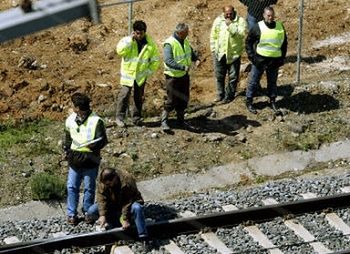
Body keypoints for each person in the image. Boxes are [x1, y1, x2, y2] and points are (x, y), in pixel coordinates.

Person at [63, 92, 108, 225]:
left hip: (90, 160)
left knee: (89, 187)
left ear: (78, 107)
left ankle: (88, 212)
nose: (74, 109)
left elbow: (103, 140)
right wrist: (66, 150)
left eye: (75, 107)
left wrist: (92, 145)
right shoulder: (70, 120)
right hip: (75, 159)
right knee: (72, 187)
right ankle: (72, 214)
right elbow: (68, 137)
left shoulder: (96, 121)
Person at [115, 20, 160, 127]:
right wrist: (130, 40)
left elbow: (155, 60)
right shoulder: (127, 41)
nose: (138, 35)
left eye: (141, 33)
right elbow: (120, 51)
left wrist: (147, 72)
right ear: (133, 32)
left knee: (138, 97)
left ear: (145, 32)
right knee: (124, 95)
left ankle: (136, 118)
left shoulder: (150, 44)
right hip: (128, 75)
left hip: (140, 76)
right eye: (136, 33)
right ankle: (119, 118)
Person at [88, 168, 149, 244]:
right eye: (106, 184)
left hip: (128, 203)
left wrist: (124, 218)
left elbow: (128, 202)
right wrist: (102, 215)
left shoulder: (127, 180)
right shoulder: (103, 181)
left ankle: (143, 237)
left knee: (137, 208)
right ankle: (111, 224)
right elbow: (101, 199)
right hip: (113, 204)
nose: (108, 185)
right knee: (91, 211)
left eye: (109, 183)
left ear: (114, 178)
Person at [245, 6, 288, 114]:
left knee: (272, 82)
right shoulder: (257, 27)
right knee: (254, 81)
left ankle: (272, 101)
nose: (270, 17)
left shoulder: (280, 26)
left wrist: (282, 58)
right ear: (264, 16)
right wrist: (252, 58)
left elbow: (284, 44)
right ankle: (249, 101)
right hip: (260, 60)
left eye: (272, 15)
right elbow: (248, 42)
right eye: (268, 15)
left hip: (274, 61)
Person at [161, 23, 201, 132]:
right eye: (186, 32)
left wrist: (196, 59)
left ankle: (181, 120)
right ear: (180, 33)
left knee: (183, 98)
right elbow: (168, 61)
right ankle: (164, 121)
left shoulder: (185, 41)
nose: (188, 34)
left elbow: (190, 52)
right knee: (171, 100)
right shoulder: (169, 43)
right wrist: (182, 67)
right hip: (172, 77)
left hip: (184, 76)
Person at [210, 5, 247, 104]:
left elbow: (241, 34)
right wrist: (213, 50)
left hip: (234, 55)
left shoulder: (240, 21)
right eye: (227, 14)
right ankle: (220, 94)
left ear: (233, 11)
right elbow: (213, 35)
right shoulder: (218, 21)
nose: (229, 15)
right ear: (223, 13)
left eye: (230, 13)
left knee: (233, 76)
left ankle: (229, 95)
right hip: (219, 54)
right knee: (219, 76)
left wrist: (230, 25)